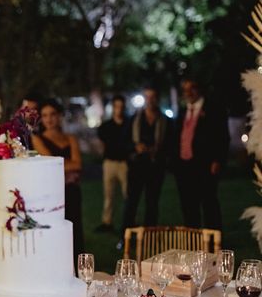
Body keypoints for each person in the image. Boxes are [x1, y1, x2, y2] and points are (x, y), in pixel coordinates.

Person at [31, 99, 84, 268]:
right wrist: (66, 164)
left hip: (73, 192)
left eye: (52, 114)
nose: (49, 119)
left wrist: (62, 165)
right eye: (45, 115)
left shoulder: (71, 138)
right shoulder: (37, 139)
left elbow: (78, 165)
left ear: (59, 116)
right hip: (55, 195)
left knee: (75, 232)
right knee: (58, 233)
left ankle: (79, 270)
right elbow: (52, 166)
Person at [173, 78, 229, 230]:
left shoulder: (213, 109)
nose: (188, 92)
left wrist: (218, 160)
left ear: (199, 89)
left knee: (209, 203)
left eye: (192, 88)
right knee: (188, 204)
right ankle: (194, 240)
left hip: (205, 164)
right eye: (185, 89)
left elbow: (222, 137)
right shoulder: (183, 111)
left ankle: (213, 242)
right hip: (184, 165)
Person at [121, 87, 173, 234]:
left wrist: (158, 150)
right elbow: (124, 142)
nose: (150, 101)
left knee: (152, 203)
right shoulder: (134, 119)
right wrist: (135, 147)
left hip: (155, 166)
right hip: (137, 166)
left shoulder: (165, 121)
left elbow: (171, 143)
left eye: (153, 97)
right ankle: (126, 235)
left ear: (158, 99)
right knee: (131, 202)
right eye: (147, 97)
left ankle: (150, 235)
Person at [95, 95, 130, 233]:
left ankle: (128, 222)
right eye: (116, 107)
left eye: (121, 107)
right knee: (109, 195)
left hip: (124, 163)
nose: (119, 110)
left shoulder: (129, 124)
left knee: (127, 194)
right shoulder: (106, 126)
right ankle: (107, 221)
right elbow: (101, 143)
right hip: (110, 163)